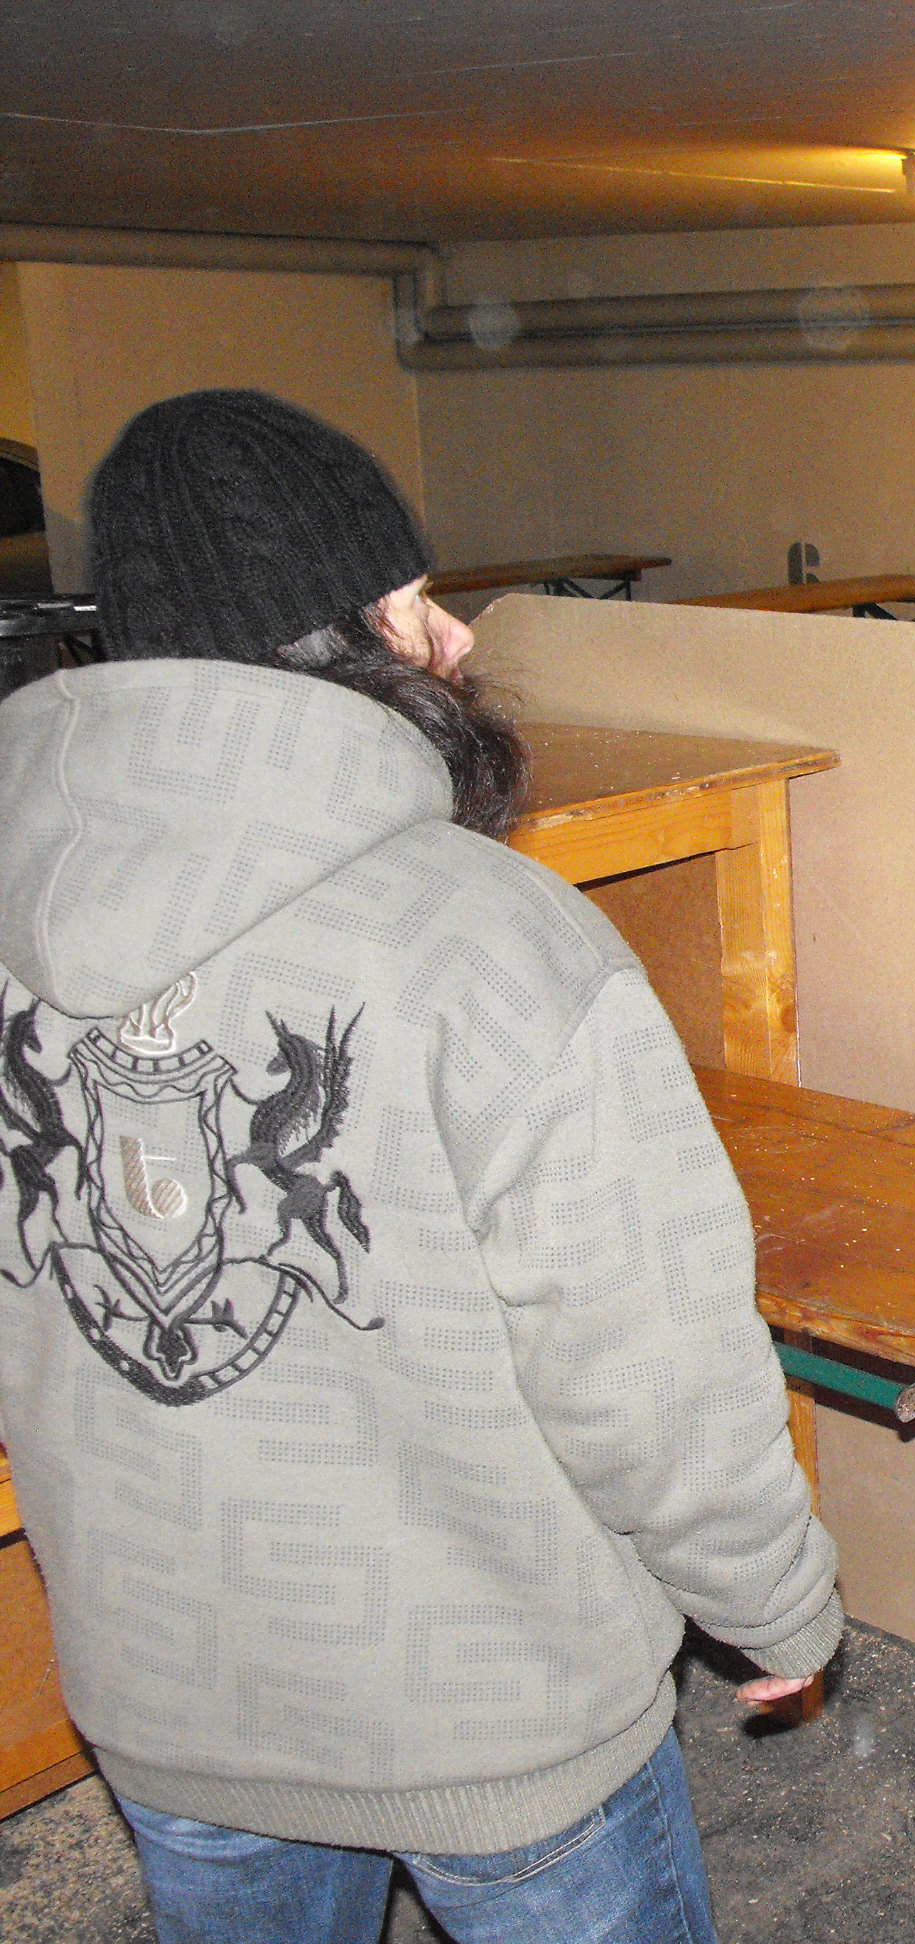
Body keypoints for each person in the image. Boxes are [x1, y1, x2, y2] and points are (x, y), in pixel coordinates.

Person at [0, 388, 843, 1943]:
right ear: (354, 631)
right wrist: (769, 1595)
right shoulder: (492, 937)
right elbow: (642, 1354)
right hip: (496, 1729)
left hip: (172, 1700)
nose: (453, 636)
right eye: (415, 598)